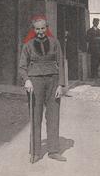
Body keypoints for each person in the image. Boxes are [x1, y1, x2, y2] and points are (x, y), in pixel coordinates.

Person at [19, 15, 66, 163]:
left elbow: (61, 63)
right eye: (37, 29)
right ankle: (36, 151)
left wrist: (60, 84)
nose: (40, 31)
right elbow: (22, 67)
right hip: (35, 83)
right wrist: (27, 80)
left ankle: (53, 150)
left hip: (53, 81)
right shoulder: (28, 45)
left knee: (53, 116)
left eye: (43, 28)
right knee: (35, 116)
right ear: (33, 30)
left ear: (47, 28)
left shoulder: (55, 43)